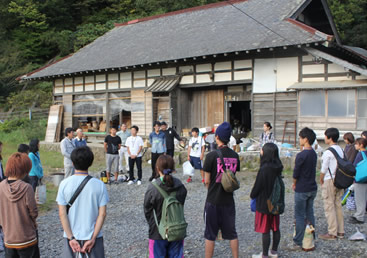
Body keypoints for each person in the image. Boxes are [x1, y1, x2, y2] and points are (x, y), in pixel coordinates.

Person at [56, 146, 109, 257]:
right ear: (90, 163)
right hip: (93, 237)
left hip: (71, 237)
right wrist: (93, 237)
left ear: (73, 163)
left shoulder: (64, 184)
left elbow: (62, 213)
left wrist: (71, 238)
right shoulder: (99, 184)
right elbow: (102, 214)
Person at [203, 122, 239, 258]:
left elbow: (207, 180)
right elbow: (233, 177)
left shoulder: (211, 156)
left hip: (213, 200)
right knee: (232, 233)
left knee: (210, 234)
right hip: (229, 200)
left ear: (217, 137)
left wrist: (210, 188)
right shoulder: (235, 156)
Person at [144, 155, 187, 257]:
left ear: (157, 168)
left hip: (157, 231)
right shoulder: (180, 186)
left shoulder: (152, 188)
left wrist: (153, 225)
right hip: (177, 229)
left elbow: (147, 210)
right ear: (173, 169)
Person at [0, 153, 40, 257]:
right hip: (27, 238)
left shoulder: (1, 186)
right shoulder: (27, 188)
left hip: (8, 238)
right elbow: (33, 213)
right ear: (25, 169)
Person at [250, 143, 283, 258]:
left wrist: (252, 195)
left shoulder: (264, 169)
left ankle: (264, 254)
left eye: (262, 150)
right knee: (275, 227)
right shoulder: (278, 166)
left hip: (264, 203)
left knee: (265, 229)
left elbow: (257, 187)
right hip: (276, 202)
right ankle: (274, 251)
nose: (261, 152)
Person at [292, 128, 317, 249]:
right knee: (310, 212)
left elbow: (296, 173)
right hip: (312, 187)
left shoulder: (301, 155)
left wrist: (294, 183)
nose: (299, 140)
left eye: (301, 137)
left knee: (300, 215)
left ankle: (298, 240)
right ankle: (311, 236)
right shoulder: (313, 153)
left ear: (305, 139)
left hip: (302, 188)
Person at [319, 128, 344, 240]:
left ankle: (332, 232)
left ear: (330, 138)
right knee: (338, 205)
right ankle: (340, 231)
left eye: (325, 136)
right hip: (340, 180)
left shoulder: (328, 152)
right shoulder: (341, 150)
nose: (324, 138)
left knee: (329, 206)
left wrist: (321, 179)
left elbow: (323, 169)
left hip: (330, 180)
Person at [350, 137, 367, 224]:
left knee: (359, 198)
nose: (355, 146)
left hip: (360, 179)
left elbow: (354, 166)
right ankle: (360, 214)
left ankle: (359, 216)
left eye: (356, 144)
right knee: (364, 198)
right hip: (366, 178)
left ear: (361, 145)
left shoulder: (360, 154)